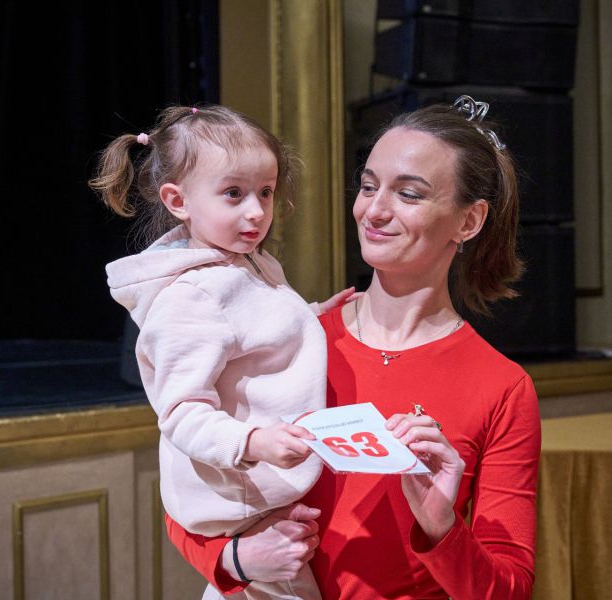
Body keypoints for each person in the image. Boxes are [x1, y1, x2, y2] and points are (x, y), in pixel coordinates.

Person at [166, 97, 542, 600]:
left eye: (408, 194)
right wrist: (236, 558)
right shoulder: (290, 339)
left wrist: (441, 528)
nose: (374, 210)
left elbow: (508, 589)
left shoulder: (502, 388)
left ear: (469, 221)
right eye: (368, 186)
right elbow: (186, 490)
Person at [90, 104, 357, 600]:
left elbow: (255, 332)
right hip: (243, 499)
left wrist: (315, 314)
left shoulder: (246, 264)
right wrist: (253, 441)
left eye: (265, 192)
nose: (256, 211)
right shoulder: (191, 297)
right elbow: (181, 413)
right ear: (178, 201)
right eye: (234, 193)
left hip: (261, 494)